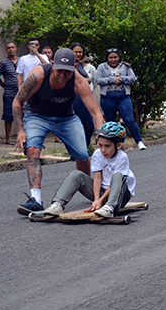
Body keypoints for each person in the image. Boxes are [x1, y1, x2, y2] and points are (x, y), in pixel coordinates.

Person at [14, 48, 105, 214]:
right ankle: (36, 199)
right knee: (32, 149)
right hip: (36, 116)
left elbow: (96, 113)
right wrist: (20, 131)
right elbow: (17, 102)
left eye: (68, 71)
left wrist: (102, 139)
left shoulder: (78, 81)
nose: (63, 75)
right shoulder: (38, 75)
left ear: (75, 67)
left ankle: (94, 196)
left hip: (66, 118)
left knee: (82, 154)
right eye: (59, 70)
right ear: (52, 64)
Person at [42, 122, 137, 219]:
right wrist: (96, 200)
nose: (103, 150)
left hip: (120, 195)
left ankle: (110, 207)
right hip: (102, 192)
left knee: (118, 176)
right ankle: (58, 204)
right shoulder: (98, 154)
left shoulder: (122, 157)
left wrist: (101, 201)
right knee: (77, 175)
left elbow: (115, 184)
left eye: (107, 146)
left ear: (118, 145)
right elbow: (97, 178)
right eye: (100, 145)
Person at [95, 48, 147, 149]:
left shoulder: (125, 66)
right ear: (107, 59)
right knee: (110, 121)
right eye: (111, 58)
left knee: (129, 119)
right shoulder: (102, 67)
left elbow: (132, 78)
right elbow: (98, 80)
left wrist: (122, 79)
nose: (113, 60)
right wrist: (112, 80)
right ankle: (112, 144)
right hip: (108, 96)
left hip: (123, 96)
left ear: (119, 57)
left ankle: (139, 141)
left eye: (115, 57)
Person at [70, 43, 96, 148]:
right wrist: (84, 80)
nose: (78, 54)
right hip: (75, 97)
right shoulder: (68, 64)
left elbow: (91, 80)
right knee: (78, 125)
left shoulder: (80, 65)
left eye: (80, 52)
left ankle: (85, 147)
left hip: (87, 97)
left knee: (89, 126)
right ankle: (77, 150)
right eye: (76, 52)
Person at [0, 42, 19, 144]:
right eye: (8, 48)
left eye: (12, 47)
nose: (11, 49)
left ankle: (21, 136)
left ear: (16, 48)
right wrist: (3, 85)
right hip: (9, 93)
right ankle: (8, 138)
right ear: (6, 50)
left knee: (23, 115)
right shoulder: (3, 63)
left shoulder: (21, 61)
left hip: (21, 93)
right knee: (8, 115)